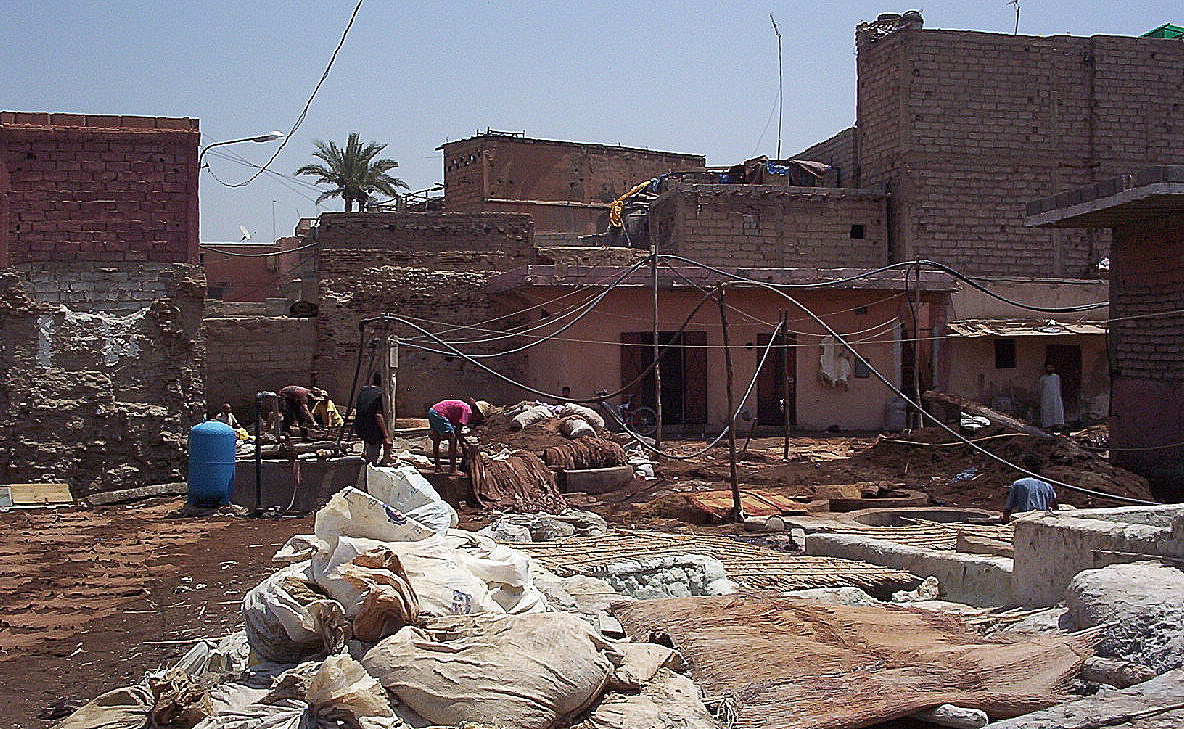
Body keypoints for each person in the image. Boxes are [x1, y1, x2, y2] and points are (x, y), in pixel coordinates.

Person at [427, 397, 484, 473]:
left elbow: (456, 427)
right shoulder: (468, 412)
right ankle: (453, 469)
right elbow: (458, 431)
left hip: (433, 411)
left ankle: (437, 467)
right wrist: (463, 445)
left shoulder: (463, 408)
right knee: (452, 439)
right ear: (477, 412)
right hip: (439, 413)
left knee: (436, 439)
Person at [1003, 454, 1057, 521]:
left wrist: (1005, 523)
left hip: (1024, 520)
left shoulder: (1018, 484)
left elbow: (1008, 508)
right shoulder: (1047, 486)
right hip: (1042, 521)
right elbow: (1054, 505)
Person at [355, 373, 392, 466]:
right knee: (372, 460)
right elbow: (378, 415)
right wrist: (386, 436)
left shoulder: (363, 391)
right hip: (373, 430)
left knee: (368, 449)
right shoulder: (379, 394)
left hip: (360, 426)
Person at [1039, 363, 1066, 432]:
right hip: (1046, 398)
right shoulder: (1043, 378)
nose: (1050, 369)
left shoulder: (1056, 377)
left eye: (1051, 367)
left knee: (1057, 410)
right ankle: (1047, 426)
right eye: (1048, 367)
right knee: (1047, 411)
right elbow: (1041, 388)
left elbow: (1058, 387)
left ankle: (1058, 425)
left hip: (1055, 397)